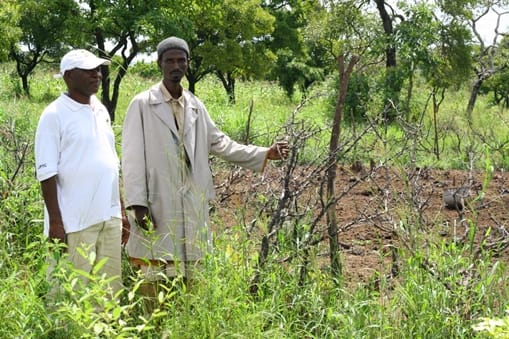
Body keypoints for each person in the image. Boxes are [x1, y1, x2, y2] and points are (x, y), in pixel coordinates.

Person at [121, 36, 289, 297]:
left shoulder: (195, 106)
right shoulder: (142, 104)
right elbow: (131, 159)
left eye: (181, 60)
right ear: (159, 64)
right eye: (170, 61)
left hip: (191, 202)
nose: (176, 65)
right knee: (154, 277)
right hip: (157, 201)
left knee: (189, 277)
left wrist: (265, 153)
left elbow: (222, 143)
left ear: (188, 63)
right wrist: (138, 205)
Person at [34, 49, 129, 297]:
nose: (96, 75)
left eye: (98, 70)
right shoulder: (54, 115)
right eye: (88, 71)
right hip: (74, 222)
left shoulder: (100, 110)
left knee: (108, 290)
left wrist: (120, 209)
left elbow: (111, 162)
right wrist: (55, 222)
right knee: (71, 292)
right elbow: (47, 173)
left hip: (108, 217)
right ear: (68, 76)